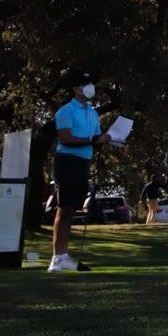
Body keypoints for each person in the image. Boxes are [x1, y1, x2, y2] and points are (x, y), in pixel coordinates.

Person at [49, 72, 110, 272]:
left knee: (72, 209)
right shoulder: (65, 111)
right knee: (64, 207)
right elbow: (66, 138)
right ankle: (56, 258)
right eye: (86, 84)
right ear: (76, 89)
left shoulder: (93, 113)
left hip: (83, 162)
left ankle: (64, 256)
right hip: (66, 162)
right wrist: (92, 140)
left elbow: (94, 138)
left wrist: (103, 139)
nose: (91, 87)